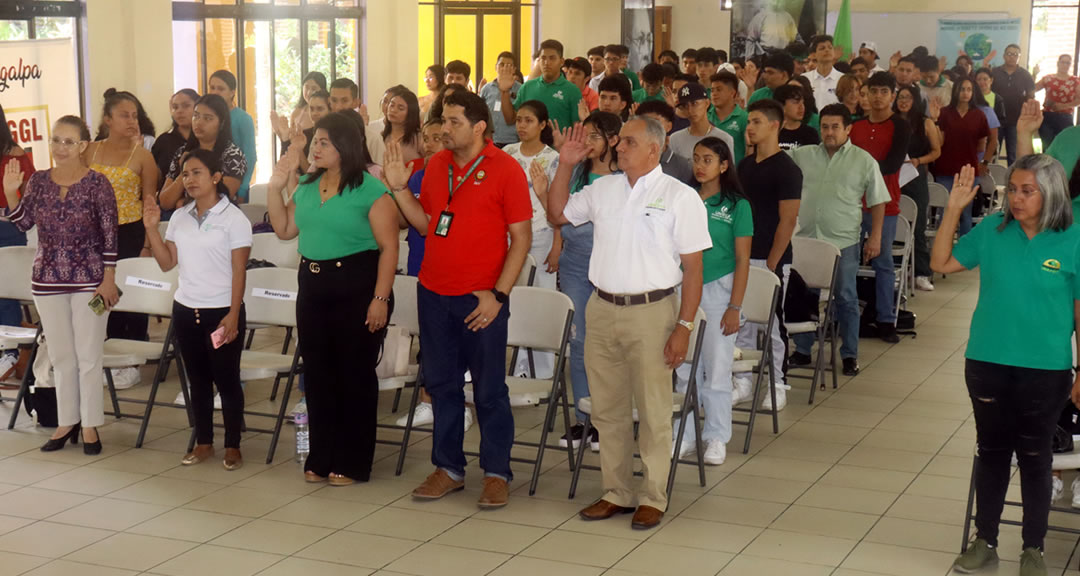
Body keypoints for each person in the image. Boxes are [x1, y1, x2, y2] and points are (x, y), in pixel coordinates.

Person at [545, 115, 709, 530]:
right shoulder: (604, 189)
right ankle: (616, 491)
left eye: (629, 143)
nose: (618, 147)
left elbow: (693, 270)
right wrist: (565, 164)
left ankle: (653, 495)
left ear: (654, 149)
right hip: (601, 309)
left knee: (653, 411)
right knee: (609, 410)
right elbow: (558, 214)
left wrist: (683, 327)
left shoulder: (680, 196)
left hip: (653, 312)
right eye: (619, 142)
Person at [932, 159, 1079, 576]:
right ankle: (986, 541)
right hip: (987, 361)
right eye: (1012, 189)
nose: (1015, 198)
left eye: (1027, 190)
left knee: (1036, 456)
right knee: (992, 452)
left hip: (1046, 368)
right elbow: (941, 263)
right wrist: (955, 209)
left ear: (1050, 192)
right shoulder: (992, 231)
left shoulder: (1073, 239)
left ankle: (1034, 548)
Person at [387, 90, 531, 509]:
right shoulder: (436, 166)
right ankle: (448, 468)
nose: (444, 130)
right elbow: (429, 225)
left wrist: (499, 296)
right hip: (433, 291)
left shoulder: (505, 169)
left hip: (480, 298)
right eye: (443, 122)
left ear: (480, 126)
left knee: (488, 391)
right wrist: (399, 190)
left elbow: (520, 239)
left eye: (453, 122)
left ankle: (496, 472)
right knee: (442, 385)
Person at [266, 112, 398, 485]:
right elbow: (285, 229)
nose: (315, 147)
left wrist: (380, 298)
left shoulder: (371, 190)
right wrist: (275, 189)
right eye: (314, 141)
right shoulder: (308, 186)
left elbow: (389, 248)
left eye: (324, 142)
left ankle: (354, 460)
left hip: (357, 285)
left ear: (344, 147)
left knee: (353, 375)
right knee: (319, 374)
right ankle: (321, 456)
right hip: (313, 286)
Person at [4, 116, 118, 455]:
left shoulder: (98, 184)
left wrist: (109, 278)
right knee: (61, 356)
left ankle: (90, 425)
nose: (60, 148)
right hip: (46, 280)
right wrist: (12, 194)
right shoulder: (38, 182)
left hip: (90, 281)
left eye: (68, 141)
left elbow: (111, 235)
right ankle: (66, 422)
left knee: (88, 356)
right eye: (55, 140)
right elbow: (24, 222)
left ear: (83, 145)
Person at [143, 149, 251, 470]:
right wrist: (151, 228)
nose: (189, 180)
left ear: (216, 176)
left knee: (227, 380)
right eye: (184, 174)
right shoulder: (179, 217)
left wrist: (233, 314)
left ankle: (233, 445)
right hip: (186, 310)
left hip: (222, 311)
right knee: (197, 381)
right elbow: (166, 262)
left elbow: (239, 271)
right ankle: (204, 441)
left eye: (197, 173)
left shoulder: (234, 219)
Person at [530, 111, 621, 451]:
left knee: (609, 345)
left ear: (613, 139)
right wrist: (543, 194)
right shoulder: (574, 170)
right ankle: (585, 420)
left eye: (595, 136)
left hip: (612, 264)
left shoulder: (623, 176)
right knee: (580, 343)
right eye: (585, 136)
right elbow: (559, 215)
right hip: (575, 264)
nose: (587, 143)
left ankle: (610, 418)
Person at [789, 104, 889, 377]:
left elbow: (878, 201)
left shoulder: (863, 160)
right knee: (802, 293)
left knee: (846, 297)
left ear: (847, 129)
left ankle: (849, 355)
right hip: (808, 238)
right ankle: (802, 349)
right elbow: (778, 167)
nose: (829, 132)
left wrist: (876, 237)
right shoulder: (803, 155)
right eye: (824, 127)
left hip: (843, 241)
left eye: (835, 127)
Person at [672, 136, 752, 465]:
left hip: (720, 289)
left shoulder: (737, 205)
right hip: (683, 287)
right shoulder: (683, 198)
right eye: (696, 159)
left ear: (723, 165)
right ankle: (685, 432)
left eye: (708, 159)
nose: (700, 166)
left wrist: (735, 307)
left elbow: (743, 260)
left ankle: (716, 436)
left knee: (717, 370)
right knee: (682, 365)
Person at [85, 90, 160, 389]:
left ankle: (131, 359)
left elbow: (149, 203)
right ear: (107, 120)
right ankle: (105, 350)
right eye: (123, 115)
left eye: (134, 115)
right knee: (98, 298)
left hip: (129, 232)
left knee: (127, 293)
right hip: (94, 235)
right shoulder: (88, 151)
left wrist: (145, 245)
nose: (131, 121)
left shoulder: (143, 156)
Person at [732, 100, 801, 408]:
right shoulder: (745, 166)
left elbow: (787, 220)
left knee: (772, 324)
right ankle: (743, 380)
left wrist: (772, 262)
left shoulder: (787, 169)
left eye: (756, 121)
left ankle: (777, 382)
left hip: (770, 258)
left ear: (775, 125)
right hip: (742, 256)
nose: (749, 127)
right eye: (749, 121)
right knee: (742, 322)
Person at [849, 73, 910, 343]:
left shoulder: (900, 125)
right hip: (850, 203)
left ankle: (886, 319)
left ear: (892, 96)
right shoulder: (855, 125)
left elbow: (893, 164)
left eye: (884, 91)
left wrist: (861, 172)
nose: (877, 96)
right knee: (847, 263)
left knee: (884, 262)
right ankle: (848, 317)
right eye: (872, 91)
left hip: (885, 202)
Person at [504, 100, 560, 380]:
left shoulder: (553, 158)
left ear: (542, 125)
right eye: (519, 120)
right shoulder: (508, 153)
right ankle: (519, 366)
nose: (522, 125)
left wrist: (557, 243)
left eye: (528, 120)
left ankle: (543, 371)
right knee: (514, 300)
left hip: (541, 233)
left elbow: (558, 207)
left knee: (540, 300)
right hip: (510, 236)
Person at [159, 94, 247, 210]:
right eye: (196, 116)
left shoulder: (232, 155)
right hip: (184, 221)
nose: (199, 122)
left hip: (220, 220)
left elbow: (219, 199)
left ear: (222, 123)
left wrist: (183, 203)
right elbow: (165, 203)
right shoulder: (182, 152)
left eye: (208, 118)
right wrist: (183, 171)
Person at [895, 84, 942, 292]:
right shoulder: (892, 121)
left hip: (916, 176)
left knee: (918, 225)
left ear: (915, 100)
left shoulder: (925, 123)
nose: (903, 101)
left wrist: (918, 160)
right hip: (894, 177)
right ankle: (898, 271)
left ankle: (921, 273)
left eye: (908, 97)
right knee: (895, 225)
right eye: (900, 97)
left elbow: (936, 151)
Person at [929, 76, 990, 237]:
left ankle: (963, 250)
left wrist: (981, 162)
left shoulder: (979, 115)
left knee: (965, 213)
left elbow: (982, 144)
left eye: (969, 89)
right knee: (945, 212)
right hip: (945, 169)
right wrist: (935, 120)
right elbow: (939, 142)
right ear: (955, 90)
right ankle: (942, 248)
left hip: (968, 171)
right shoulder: (944, 113)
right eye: (962, 89)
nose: (965, 93)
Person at [0, 104, 34, 381]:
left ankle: (10, 352)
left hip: (7, 226)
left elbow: (32, 193)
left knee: (6, 292)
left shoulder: (14, 154)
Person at [504, 40, 581, 134]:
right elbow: (510, 119)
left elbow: (577, 127)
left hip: (559, 147)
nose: (546, 62)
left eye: (552, 58)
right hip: (530, 146)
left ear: (561, 62)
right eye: (543, 58)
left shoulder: (572, 91)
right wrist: (504, 91)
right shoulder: (527, 87)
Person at [207, 70, 256, 203]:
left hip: (236, 184)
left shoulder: (243, 118)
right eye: (212, 88)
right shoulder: (207, 117)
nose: (215, 92)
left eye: (221, 89)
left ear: (232, 92)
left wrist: (242, 189)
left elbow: (250, 157)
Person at [669, 83, 734, 166]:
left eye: (694, 104)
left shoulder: (724, 138)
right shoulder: (675, 139)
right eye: (685, 106)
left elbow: (728, 173)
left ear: (707, 103)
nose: (690, 110)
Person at [993, 44, 1035, 166]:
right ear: (1004, 56)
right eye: (1009, 54)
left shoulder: (1025, 74)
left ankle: (1012, 181)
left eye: (1015, 54)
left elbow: (1031, 95)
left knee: (1013, 154)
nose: (1012, 57)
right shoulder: (994, 72)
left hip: (1016, 121)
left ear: (1019, 57)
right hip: (996, 120)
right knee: (993, 152)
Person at [152, 89, 199, 189]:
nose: (179, 111)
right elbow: (156, 180)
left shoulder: (204, 139)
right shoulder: (164, 141)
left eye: (186, 106)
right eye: (175, 107)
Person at [637, 101, 693, 184]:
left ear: (669, 126)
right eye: (646, 122)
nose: (650, 127)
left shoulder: (682, 165)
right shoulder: (632, 158)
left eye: (656, 122)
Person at [1035, 54, 1079, 148]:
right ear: (1058, 63)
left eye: (1068, 63)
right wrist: (1034, 74)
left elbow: (1079, 100)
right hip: (1047, 117)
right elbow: (1032, 89)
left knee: (1064, 146)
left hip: (1065, 117)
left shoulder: (1075, 81)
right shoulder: (1048, 78)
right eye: (1063, 62)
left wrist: (1064, 106)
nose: (1065, 65)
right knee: (1047, 146)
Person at [479, 52, 521, 148]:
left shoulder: (520, 89)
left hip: (512, 141)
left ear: (514, 69)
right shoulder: (486, 89)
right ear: (496, 67)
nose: (504, 68)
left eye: (509, 65)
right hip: (490, 141)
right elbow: (480, 114)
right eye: (501, 65)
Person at [707, 72, 748, 164]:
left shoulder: (744, 118)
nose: (714, 94)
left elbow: (748, 150)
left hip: (735, 174)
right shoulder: (705, 117)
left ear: (732, 93)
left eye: (719, 89)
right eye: (712, 90)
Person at [383, 88, 423, 166]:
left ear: (411, 113)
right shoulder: (382, 136)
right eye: (392, 105)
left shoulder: (419, 139)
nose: (393, 110)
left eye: (400, 108)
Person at [775, 84, 820, 150]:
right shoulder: (772, 133)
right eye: (796, 102)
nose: (801, 107)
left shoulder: (810, 133)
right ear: (781, 106)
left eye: (803, 103)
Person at [803, 35, 842, 107]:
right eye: (822, 48)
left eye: (830, 47)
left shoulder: (842, 79)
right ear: (814, 54)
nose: (827, 50)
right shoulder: (804, 79)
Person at [976, 67, 1008, 138]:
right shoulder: (971, 97)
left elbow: (1001, 120)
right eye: (979, 79)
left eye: (985, 79)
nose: (982, 82)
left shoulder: (998, 99)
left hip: (991, 135)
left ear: (991, 80)